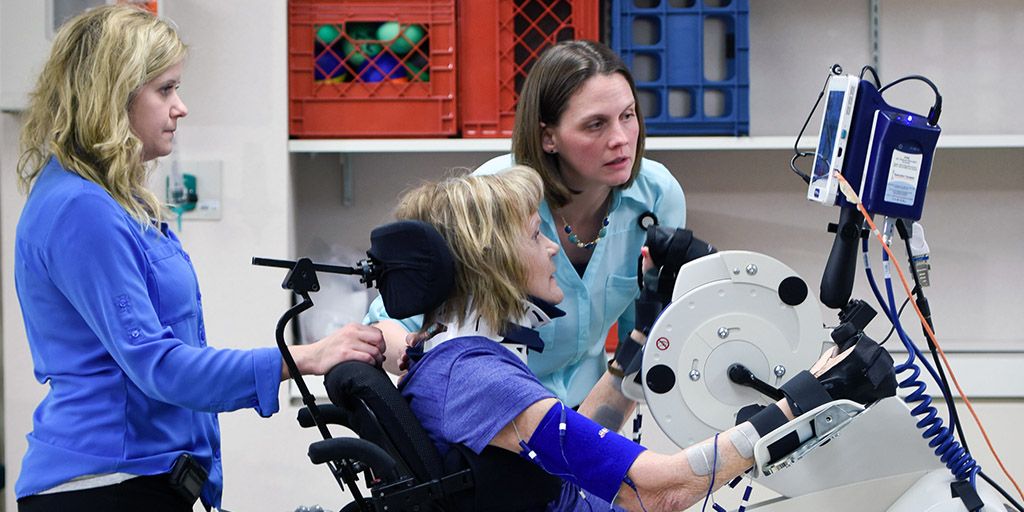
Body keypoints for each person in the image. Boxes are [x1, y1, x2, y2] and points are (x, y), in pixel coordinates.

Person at [12, 6, 384, 511]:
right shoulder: (80, 210)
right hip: (103, 486)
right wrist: (308, 356)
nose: (180, 107)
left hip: (142, 479)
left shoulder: (113, 200)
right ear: (112, 95)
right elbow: (160, 368)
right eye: (164, 90)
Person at [390, 167, 895, 511]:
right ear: (490, 261)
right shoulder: (479, 378)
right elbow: (658, 491)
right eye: (533, 235)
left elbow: (574, 442)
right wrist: (808, 401)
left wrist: (644, 333)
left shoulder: (447, 357)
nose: (550, 249)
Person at [367, 40, 685, 411]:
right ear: (548, 137)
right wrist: (418, 362)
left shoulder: (658, 195)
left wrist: (600, 443)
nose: (620, 139)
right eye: (595, 124)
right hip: (496, 413)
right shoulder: (495, 195)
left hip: (591, 405)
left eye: (627, 116)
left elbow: (642, 341)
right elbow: (392, 320)